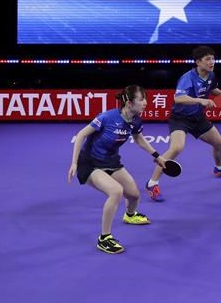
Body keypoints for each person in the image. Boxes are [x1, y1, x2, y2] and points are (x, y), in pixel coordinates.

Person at [68, 85, 166, 254]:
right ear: (129, 102)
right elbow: (81, 134)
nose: (145, 103)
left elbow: (139, 139)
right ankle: (104, 238)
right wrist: (74, 163)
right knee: (116, 191)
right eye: (141, 99)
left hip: (111, 161)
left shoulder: (135, 119)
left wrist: (157, 155)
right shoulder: (107, 117)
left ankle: (129, 215)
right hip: (90, 163)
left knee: (134, 195)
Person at [146, 46, 221, 202]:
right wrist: (200, 100)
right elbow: (178, 98)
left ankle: (219, 168)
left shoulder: (211, 75)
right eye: (207, 59)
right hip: (180, 119)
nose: (211, 62)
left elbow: (213, 88)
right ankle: (152, 183)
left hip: (198, 118)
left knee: (220, 143)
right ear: (198, 62)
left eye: (213, 58)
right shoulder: (187, 78)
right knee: (176, 148)